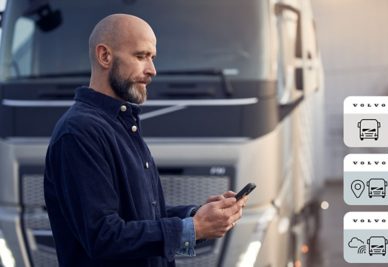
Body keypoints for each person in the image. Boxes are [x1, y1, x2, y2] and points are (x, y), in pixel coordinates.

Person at [44, 14, 247, 267]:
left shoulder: (120, 124)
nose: (152, 70)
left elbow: (142, 217)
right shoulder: (78, 132)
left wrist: (197, 217)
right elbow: (103, 236)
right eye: (141, 56)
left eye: (152, 57)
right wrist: (193, 228)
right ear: (105, 56)